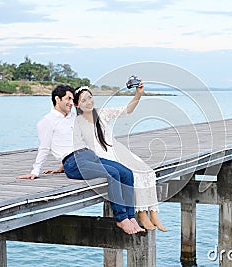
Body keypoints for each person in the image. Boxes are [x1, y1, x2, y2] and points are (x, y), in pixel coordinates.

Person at [17, 84, 144, 235]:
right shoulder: (47, 121)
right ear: (57, 99)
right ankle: (121, 219)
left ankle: (131, 216)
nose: (71, 102)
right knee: (112, 173)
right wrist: (35, 171)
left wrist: (137, 94)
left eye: (72, 99)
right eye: (68, 99)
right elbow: (44, 148)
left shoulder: (74, 116)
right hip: (73, 162)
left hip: (88, 155)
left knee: (127, 173)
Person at [73, 84, 167, 232]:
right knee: (133, 173)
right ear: (77, 104)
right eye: (84, 100)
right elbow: (75, 146)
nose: (89, 102)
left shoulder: (102, 113)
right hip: (101, 155)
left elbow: (126, 110)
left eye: (90, 98)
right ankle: (142, 213)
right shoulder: (77, 122)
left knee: (148, 172)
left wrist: (138, 95)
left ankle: (153, 213)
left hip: (116, 149)